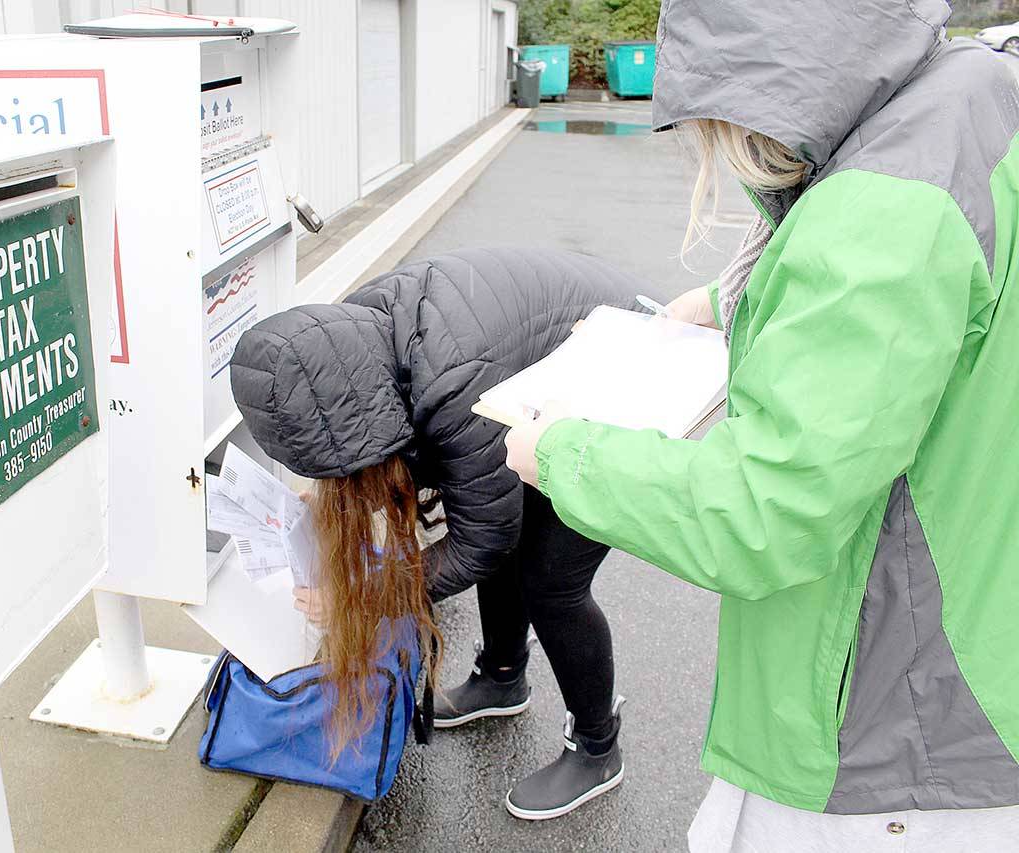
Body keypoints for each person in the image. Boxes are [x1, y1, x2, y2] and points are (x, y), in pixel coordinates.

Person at [504, 2, 1019, 850]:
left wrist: (563, 451)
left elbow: (765, 510)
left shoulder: (882, 214)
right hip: (972, 649)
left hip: (890, 732)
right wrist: (732, 304)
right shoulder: (968, 96)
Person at [230, 247, 643, 819]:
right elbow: (400, 441)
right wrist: (331, 491)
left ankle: (598, 746)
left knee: (551, 579)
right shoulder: (349, 343)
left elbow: (483, 537)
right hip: (544, 375)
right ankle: (502, 678)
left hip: (627, 376)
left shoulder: (450, 384)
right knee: (506, 524)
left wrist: (364, 597)